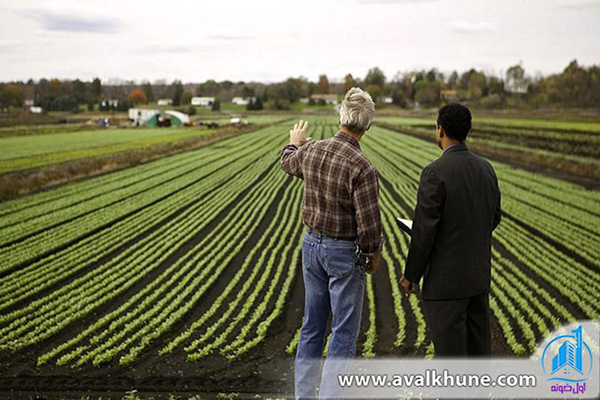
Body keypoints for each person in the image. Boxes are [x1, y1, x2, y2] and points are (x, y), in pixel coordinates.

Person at [280, 87, 384, 399]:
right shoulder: (362, 167)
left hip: (311, 246)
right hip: (343, 252)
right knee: (343, 331)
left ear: (340, 117)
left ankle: (304, 395)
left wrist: (294, 143)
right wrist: (373, 253)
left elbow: (288, 162)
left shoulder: (313, 152)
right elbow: (369, 223)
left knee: (312, 324)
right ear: (367, 126)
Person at [399, 103, 501, 357]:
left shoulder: (435, 173)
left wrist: (410, 276)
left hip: (446, 287)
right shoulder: (486, 168)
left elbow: (424, 232)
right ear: (467, 130)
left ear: (440, 130)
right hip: (478, 281)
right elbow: (494, 217)